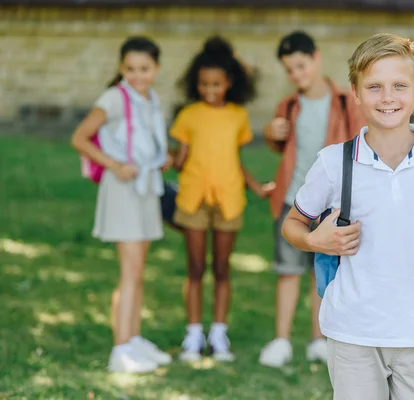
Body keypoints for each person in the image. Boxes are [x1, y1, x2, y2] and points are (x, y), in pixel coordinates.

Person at [281, 33, 414, 399]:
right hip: (352, 336)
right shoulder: (334, 162)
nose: (387, 97)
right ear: (356, 93)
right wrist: (313, 239)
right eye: (374, 87)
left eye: (399, 86)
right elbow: (292, 224)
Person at [259, 31, 366, 368]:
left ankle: (318, 340)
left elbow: (360, 146)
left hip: (332, 206)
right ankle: (281, 340)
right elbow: (283, 147)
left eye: (301, 66)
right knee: (288, 271)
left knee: (322, 274)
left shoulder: (346, 102)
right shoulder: (289, 105)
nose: (297, 75)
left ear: (317, 58)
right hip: (293, 201)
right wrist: (270, 135)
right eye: (290, 70)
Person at [71, 36, 173, 374]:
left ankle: (133, 340)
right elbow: (79, 138)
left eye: (144, 69)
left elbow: (144, 141)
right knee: (129, 274)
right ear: (121, 68)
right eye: (130, 69)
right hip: (123, 190)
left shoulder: (151, 99)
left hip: (145, 189)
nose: (137, 75)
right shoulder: (114, 98)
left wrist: (160, 159)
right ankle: (120, 350)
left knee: (138, 273)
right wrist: (115, 165)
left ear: (156, 69)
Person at [171, 36, 273, 362]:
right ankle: (193, 334)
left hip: (229, 200)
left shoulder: (237, 116)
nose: (210, 90)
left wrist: (256, 187)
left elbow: (234, 160)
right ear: (195, 84)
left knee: (222, 268)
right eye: (203, 84)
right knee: (196, 268)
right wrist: (163, 159)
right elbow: (180, 160)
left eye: (216, 83)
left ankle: (218, 333)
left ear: (228, 83)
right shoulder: (188, 115)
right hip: (193, 200)